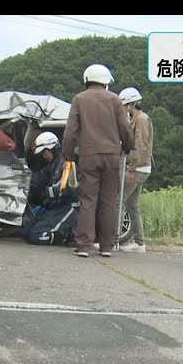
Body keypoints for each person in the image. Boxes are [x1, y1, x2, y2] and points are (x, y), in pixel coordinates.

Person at [62, 64, 134, 258]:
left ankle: (84, 245)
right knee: (109, 201)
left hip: (89, 155)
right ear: (106, 81)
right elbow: (124, 128)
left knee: (88, 200)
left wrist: (68, 154)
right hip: (112, 156)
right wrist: (127, 147)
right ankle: (106, 246)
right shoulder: (115, 99)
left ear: (87, 79)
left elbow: (70, 131)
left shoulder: (79, 99)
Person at [22, 132, 79, 246]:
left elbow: (62, 190)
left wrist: (43, 193)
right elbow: (37, 179)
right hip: (55, 208)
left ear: (53, 149)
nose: (44, 156)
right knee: (26, 230)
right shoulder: (51, 166)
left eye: (45, 153)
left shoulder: (67, 165)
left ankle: (65, 235)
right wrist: (25, 183)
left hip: (69, 208)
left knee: (36, 235)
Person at [117, 87, 154, 253]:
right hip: (141, 167)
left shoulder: (142, 119)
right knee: (132, 204)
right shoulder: (136, 120)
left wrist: (131, 170)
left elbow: (140, 146)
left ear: (131, 105)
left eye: (125, 106)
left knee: (118, 201)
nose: (124, 110)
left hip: (138, 168)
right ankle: (139, 243)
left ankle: (112, 239)